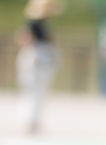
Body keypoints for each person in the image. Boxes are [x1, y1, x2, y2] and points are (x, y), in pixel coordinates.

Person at [16, 0, 60, 133]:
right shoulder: (34, 24)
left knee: (37, 92)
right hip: (37, 59)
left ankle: (33, 119)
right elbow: (25, 39)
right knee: (34, 91)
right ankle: (31, 120)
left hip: (40, 58)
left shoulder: (42, 24)